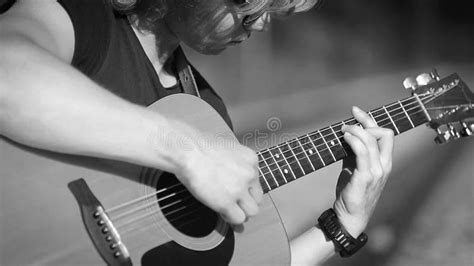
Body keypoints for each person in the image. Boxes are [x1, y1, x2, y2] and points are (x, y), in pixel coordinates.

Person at [0, 0, 398, 264]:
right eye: (250, 4)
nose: (260, 23)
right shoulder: (84, 17)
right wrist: (183, 150)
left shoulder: (205, 107)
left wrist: (341, 225)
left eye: (275, 9)